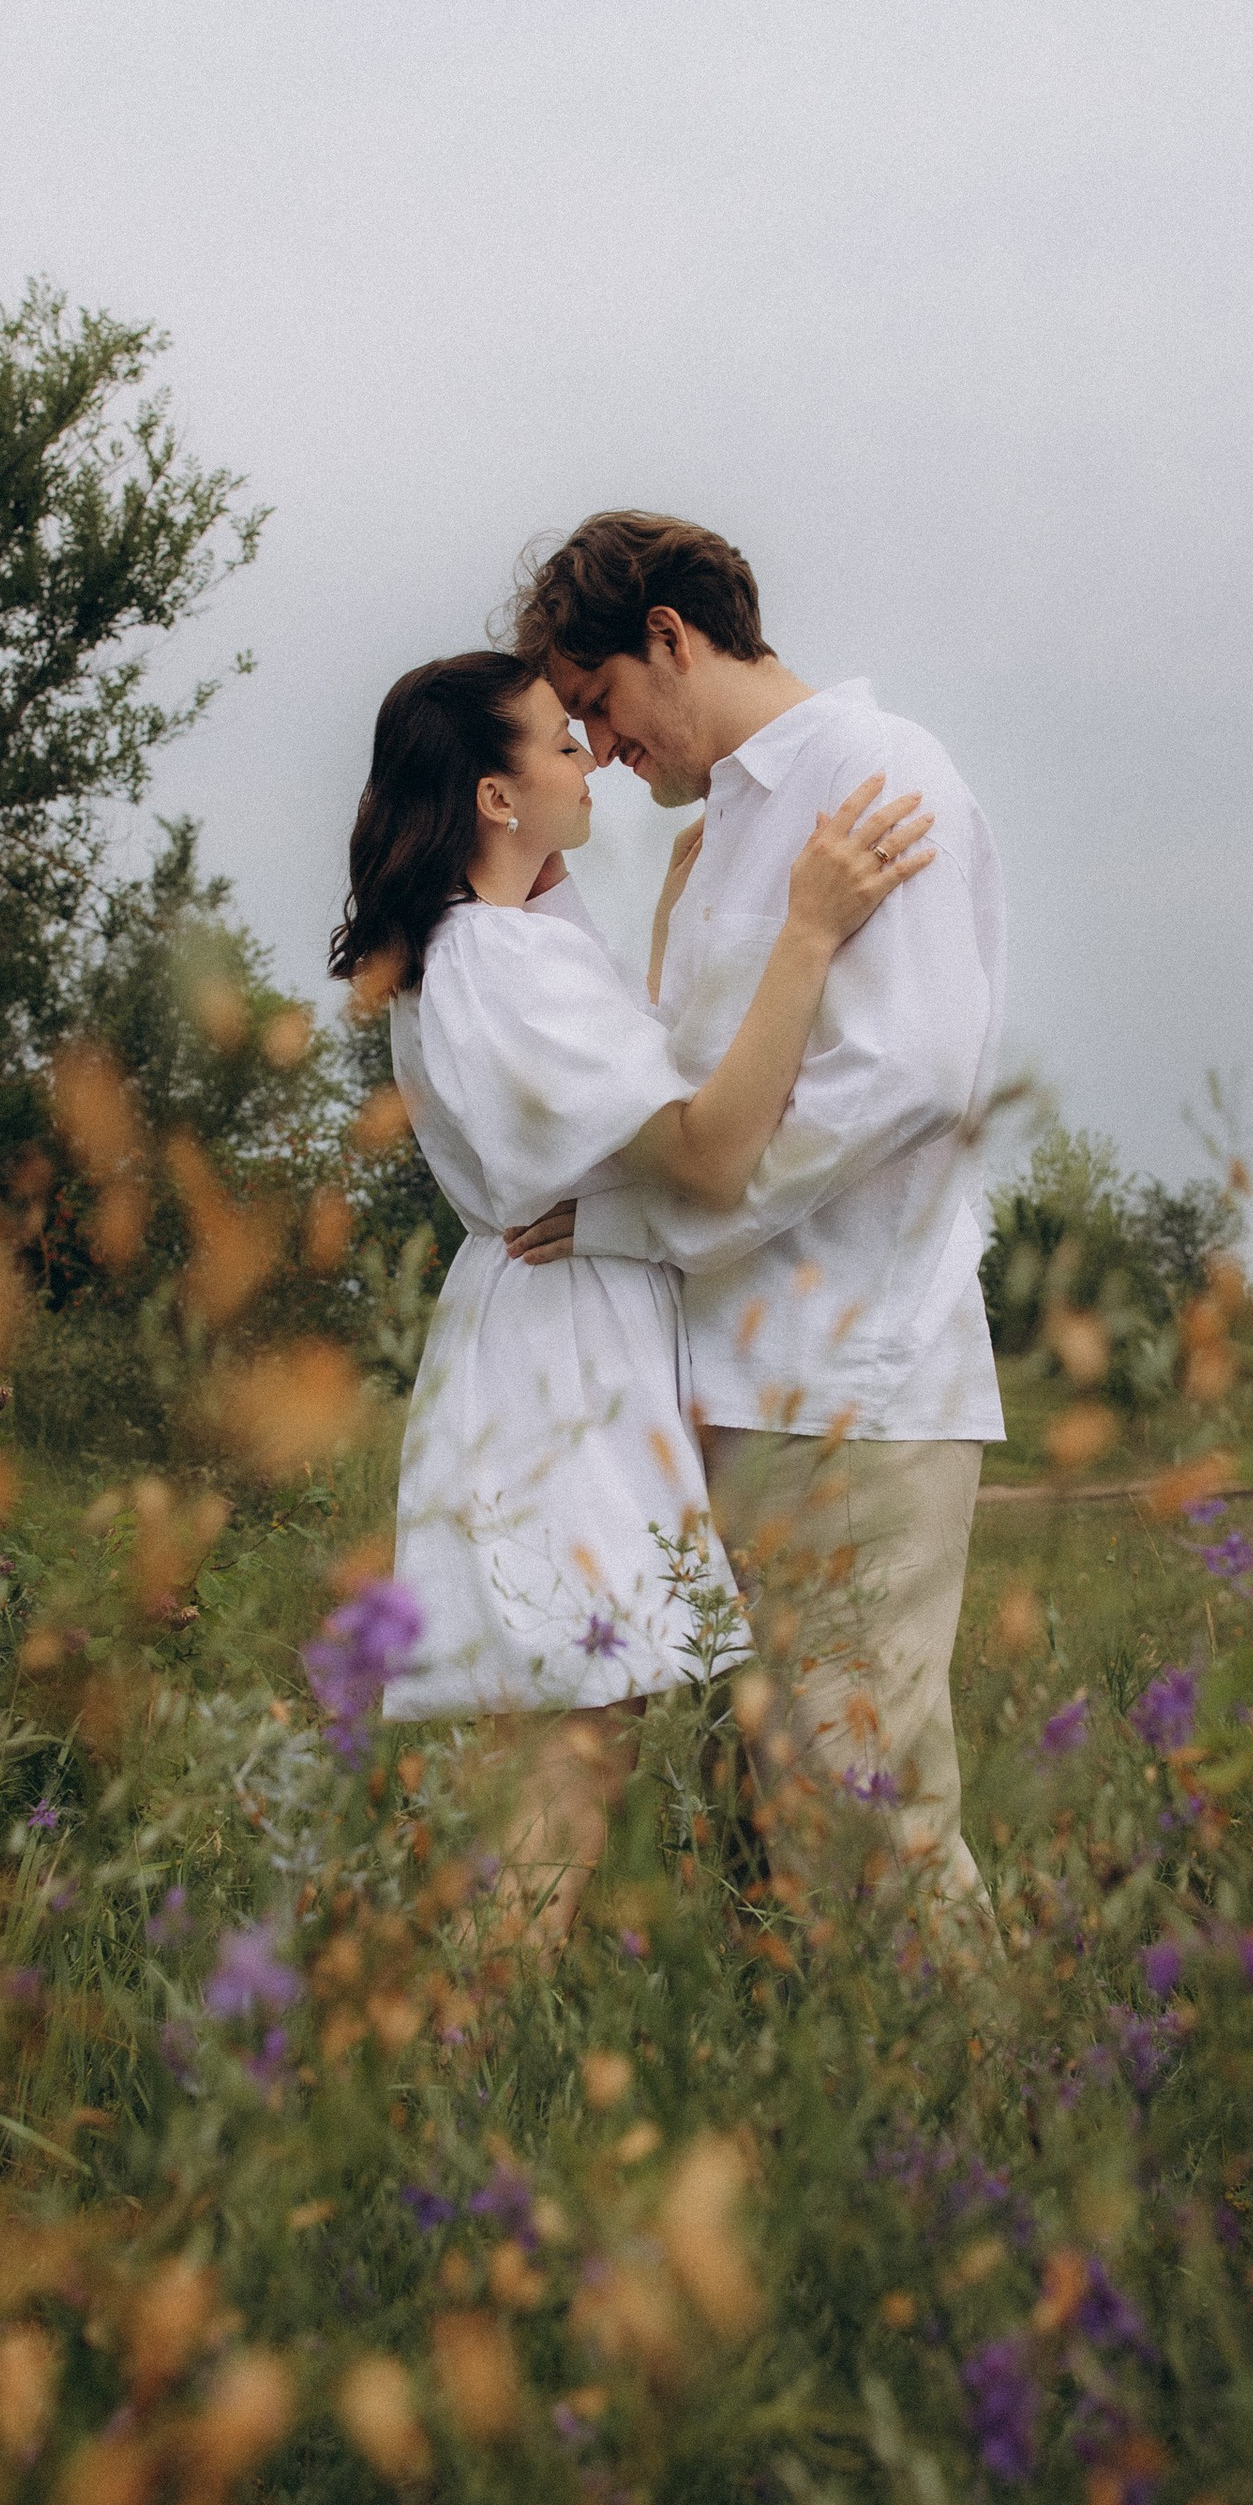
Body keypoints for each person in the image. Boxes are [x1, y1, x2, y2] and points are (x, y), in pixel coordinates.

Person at [327, 649, 932, 1949]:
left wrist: (662, 920)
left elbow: (631, 1074)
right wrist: (809, 931)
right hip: (561, 1355)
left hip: (563, 1334)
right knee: (574, 1739)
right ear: (496, 796)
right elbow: (710, 1150)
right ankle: (457, 2075)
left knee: (580, 1731)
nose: (590, 757)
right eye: (558, 742)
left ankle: (460, 2060)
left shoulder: (494, 940)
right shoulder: (498, 961)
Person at [507, 512, 1008, 1937]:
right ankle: (828, 2153)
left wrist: (658, 1219)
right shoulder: (726, 822)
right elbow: (707, 1084)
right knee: (764, 1833)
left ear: (672, 636)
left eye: (599, 703)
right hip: (734, 1381)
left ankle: (1014, 2140)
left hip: (850, 1383)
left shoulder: (876, 771)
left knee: (867, 1826)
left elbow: (907, 1072)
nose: (598, 749)